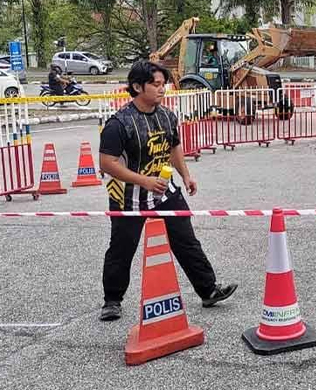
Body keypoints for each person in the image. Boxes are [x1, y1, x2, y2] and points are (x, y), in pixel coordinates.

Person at [98, 61, 235, 321]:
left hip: (165, 192)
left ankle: (208, 290)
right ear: (138, 87)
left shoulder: (167, 116)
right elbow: (107, 163)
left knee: (186, 241)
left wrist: (186, 175)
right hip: (128, 197)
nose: (162, 90)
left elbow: (174, 147)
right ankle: (112, 300)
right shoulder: (119, 124)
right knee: (121, 248)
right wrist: (143, 181)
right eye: (156, 85)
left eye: (164, 84)